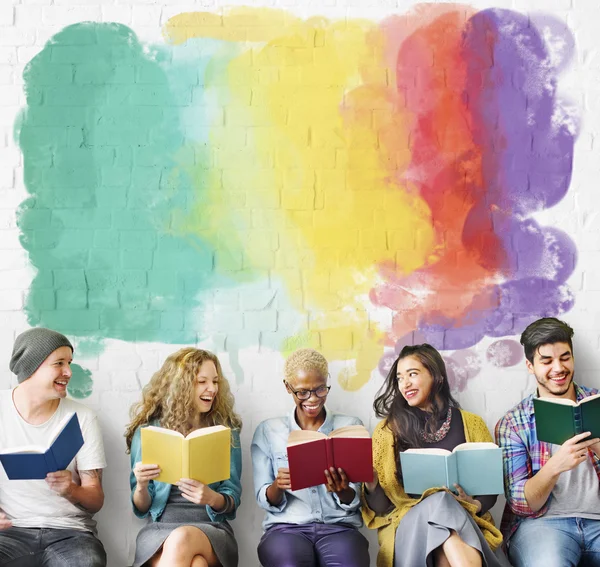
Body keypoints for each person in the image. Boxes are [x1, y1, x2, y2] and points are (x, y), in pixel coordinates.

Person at [362, 343, 504, 567]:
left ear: (436, 376)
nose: (405, 384)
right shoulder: (387, 431)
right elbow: (382, 508)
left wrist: (474, 504)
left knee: (444, 546)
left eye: (412, 374)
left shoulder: (472, 424)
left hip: (463, 521)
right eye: (399, 378)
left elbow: (489, 490)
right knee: (440, 499)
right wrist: (371, 482)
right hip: (409, 527)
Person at [495, 317, 600, 567]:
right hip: (541, 526)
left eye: (565, 358)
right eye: (546, 361)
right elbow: (521, 504)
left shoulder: (597, 403)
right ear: (530, 366)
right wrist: (555, 466)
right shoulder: (513, 423)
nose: (558, 368)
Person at [251, 348, 370, 567]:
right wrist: (279, 486)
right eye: (303, 392)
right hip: (286, 529)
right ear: (288, 387)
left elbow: (357, 497)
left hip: (339, 528)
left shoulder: (350, 426)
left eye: (320, 389)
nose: (313, 399)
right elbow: (263, 498)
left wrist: (342, 490)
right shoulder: (269, 431)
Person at [0, 327, 107, 566]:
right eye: (59, 363)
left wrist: (71, 489)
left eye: (69, 362)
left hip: (70, 534)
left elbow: (96, 500)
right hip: (10, 533)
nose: (68, 372)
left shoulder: (82, 418)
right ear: (31, 367)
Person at [125, 348, 242, 567]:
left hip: (212, 529)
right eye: (202, 382)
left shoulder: (226, 432)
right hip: (159, 530)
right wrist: (141, 485)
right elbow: (141, 508)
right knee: (197, 564)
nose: (213, 389)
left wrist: (211, 498)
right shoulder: (149, 433)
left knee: (183, 538)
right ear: (182, 385)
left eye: (215, 381)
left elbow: (232, 500)